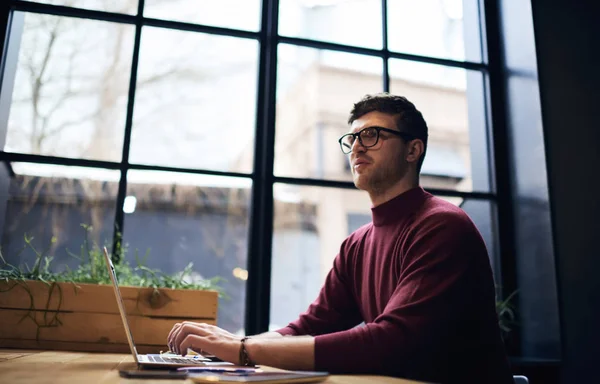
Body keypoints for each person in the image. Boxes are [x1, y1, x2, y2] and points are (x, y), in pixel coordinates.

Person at [167, 93, 513, 383]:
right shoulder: (356, 244)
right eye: (353, 138)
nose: (356, 147)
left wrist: (244, 351)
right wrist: (236, 343)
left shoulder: (441, 225)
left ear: (413, 150)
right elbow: (312, 325)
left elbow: (392, 340)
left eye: (373, 135)